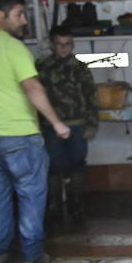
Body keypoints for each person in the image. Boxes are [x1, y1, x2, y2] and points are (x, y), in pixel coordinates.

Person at [0, 0, 71, 263]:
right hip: (19, 135)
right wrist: (56, 123)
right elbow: (33, 88)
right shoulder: (13, 48)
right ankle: (32, 256)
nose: (24, 21)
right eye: (19, 14)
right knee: (31, 195)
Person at [36, 26, 99, 220]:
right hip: (50, 125)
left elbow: (91, 96)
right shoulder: (42, 67)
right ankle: (54, 205)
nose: (63, 48)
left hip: (77, 124)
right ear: (52, 45)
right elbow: (35, 96)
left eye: (67, 44)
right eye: (59, 44)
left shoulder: (80, 67)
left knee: (77, 164)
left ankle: (76, 204)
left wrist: (92, 124)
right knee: (53, 166)